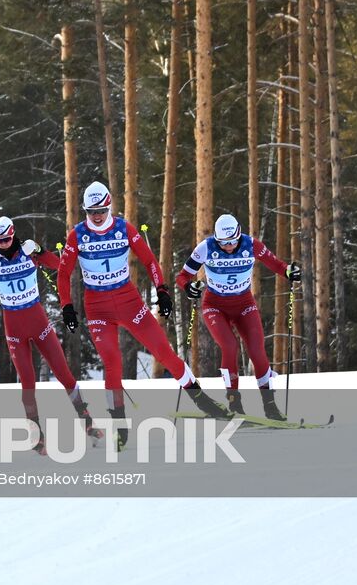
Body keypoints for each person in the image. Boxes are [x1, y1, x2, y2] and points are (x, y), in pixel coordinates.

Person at [55, 181, 229, 448]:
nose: (97, 216)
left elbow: (148, 260)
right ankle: (119, 424)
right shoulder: (77, 235)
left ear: (109, 205)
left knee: (163, 351)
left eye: (101, 209)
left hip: (128, 300)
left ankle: (203, 401)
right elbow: (64, 273)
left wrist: (162, 290)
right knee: (112, 362)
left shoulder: (124, 228)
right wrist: (66, 305)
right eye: (91, 211)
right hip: (97, 306)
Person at [0, 215, 98, 452]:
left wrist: (40, 250)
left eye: (7, 238)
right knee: (28, 383)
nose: (4, 243)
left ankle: (88, 421)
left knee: (64, 373)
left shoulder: (29, 252)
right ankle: (36, 435)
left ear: (13, 233)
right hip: (14, 329)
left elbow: (58, 265)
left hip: (39, 323)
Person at [175, 213, 301, 420]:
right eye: (223, 243)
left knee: (257, 351)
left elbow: (276, 264)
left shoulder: (251, 244)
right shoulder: (206, 248)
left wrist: (289, 272)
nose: (229, 247)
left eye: (233, 241)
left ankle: (270, 406)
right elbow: (182, 276)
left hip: (244, 304)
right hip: (215, 306)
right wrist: (189, 287)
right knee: (229, 346)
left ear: (239, 234)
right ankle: (235, 404)